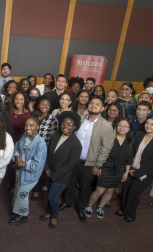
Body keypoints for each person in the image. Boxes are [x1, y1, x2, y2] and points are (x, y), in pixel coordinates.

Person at [60, 95, 114, 223]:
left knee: (84, 187)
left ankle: (80, 207)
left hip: (89, 163)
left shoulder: (106, 126)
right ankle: (67, 202)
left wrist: (98, 165)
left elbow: (106, 148)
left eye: (97, 104)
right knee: (70, 183)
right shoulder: (80, 119)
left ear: (103, 108)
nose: (93, 105)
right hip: (73, 159)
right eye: (92, 103)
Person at [117, 116, 153, 222]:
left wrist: (139, 173)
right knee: (125, 190)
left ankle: (130, 214)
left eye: (152, 124)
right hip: (131, 168)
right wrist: (128, 168)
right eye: (147, 123)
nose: (148, 126)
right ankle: (123, 209)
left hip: (145, 172)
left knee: (133, 193)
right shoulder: (139, 134)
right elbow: (131, 152)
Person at [84, 117, 134, 219]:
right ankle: (89, 206)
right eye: (120, 125)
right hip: (106, 167)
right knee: (99, 191)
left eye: (125, 126)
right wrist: (99, 166)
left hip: (119, 170)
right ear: (116, 126)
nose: (122, 128)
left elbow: (129, 158)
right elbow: (100, 152)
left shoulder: (130, 141)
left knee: (110, 191)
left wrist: (126, 172)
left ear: (129, 129)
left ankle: (100, 207)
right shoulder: (110, 137)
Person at [41, 111, 81, 228]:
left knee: (52, 197)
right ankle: (49, 212)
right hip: (49, 171)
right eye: (63, 123)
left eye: (69, 125)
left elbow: (70, 164)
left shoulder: (76, 144)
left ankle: (54, 216)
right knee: (49, 194)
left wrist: (54, 175)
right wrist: (46, 168)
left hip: (61, 176)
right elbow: (48, 152)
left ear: (74, 127)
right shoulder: (57, 134)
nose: (65, 127)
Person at [9, 114, 47, 226]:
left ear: (37, 127)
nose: (28, 128)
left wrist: (24, 163)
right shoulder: (25, 135)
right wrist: (16, 157)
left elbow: (37, 165)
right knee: (17, 190)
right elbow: (16, 146)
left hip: (30, 174)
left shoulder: (41, 144)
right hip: (20, 170)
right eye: (26, 125)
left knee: (22, 194)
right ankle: (16, 211)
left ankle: (23, 215)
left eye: (31, 125)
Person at [30, 96, 57, 200]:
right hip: (31, 146)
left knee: (39, 171)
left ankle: (37, 191)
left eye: (47, 105)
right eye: (42, 104)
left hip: (43, 149)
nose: (45, 106)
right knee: (30, 168)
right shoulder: (33, 115)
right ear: (38, 105)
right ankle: (30, 186)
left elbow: (52, 138)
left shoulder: (52, 120)